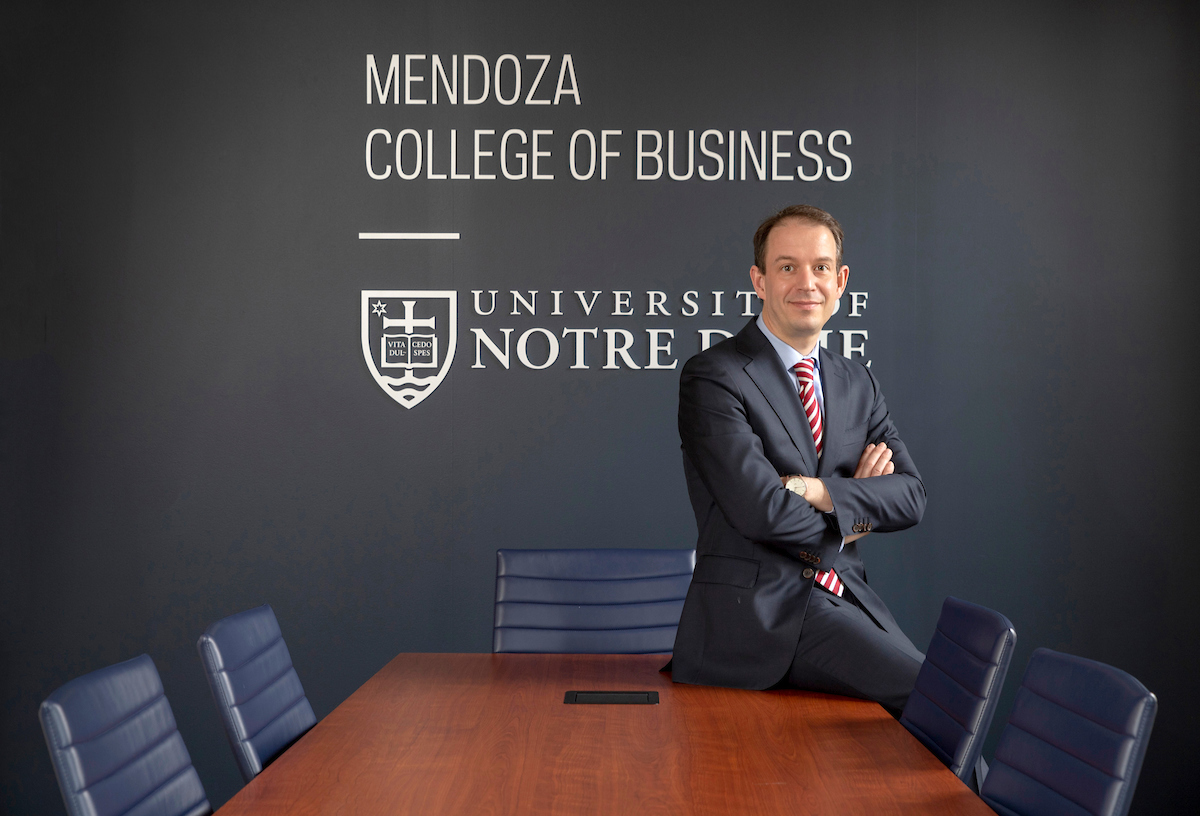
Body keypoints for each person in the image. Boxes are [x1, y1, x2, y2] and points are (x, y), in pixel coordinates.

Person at [668, 204, 926, 716]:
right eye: (787, 267)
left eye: (821, 267)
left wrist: (816, 490)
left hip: (847, 598)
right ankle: (1004, 801)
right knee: (936, 696)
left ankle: (989, 801)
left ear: (841, 281)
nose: (806, 282)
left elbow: (911, 496)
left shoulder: (858, 382)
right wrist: (856, 515)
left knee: (949, 700)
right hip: (759, 618)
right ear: (759, 281)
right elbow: (761, 511)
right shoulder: (715, 376)